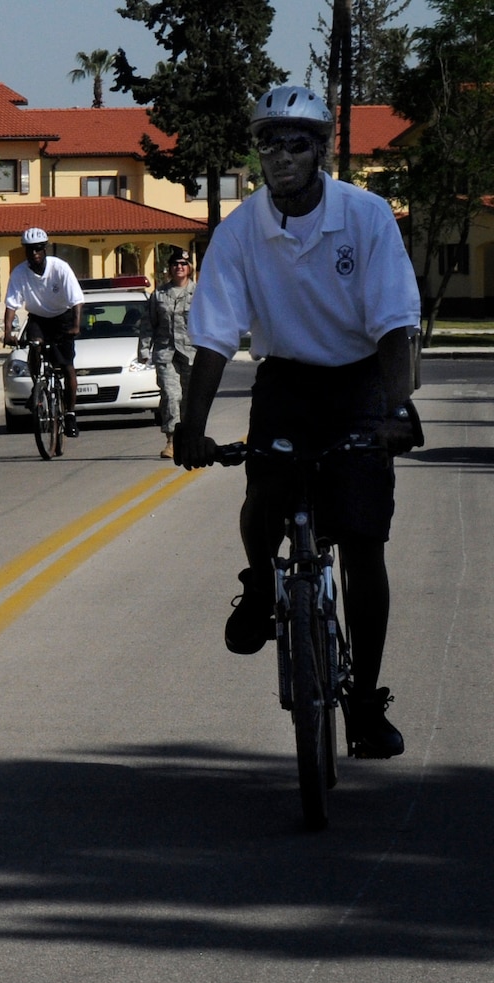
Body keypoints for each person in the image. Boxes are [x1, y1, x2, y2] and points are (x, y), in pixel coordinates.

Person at [172, 85, 423, 759]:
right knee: (265, 492)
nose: (279, 157)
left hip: (360, 378)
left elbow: (396, 324)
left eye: (295, 143)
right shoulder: (240, 230)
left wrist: (397, 409)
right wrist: (189, 428)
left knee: (363, 540)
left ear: (321, 151)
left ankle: (365, 705)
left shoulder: (366, 217)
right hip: (285, 380)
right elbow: (216, 338)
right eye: (267, 143)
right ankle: (260, 586)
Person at [1, 227, 85, 438]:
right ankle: (38, 386)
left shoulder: (60, 268)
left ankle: (70, 414)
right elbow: (11, 305)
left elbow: (76, 300)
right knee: (34, 345)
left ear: (45, 249)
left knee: (66, 367)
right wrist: (8, 331)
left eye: (38, 249)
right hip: (38, 318)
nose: (34, 254)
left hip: (63, 317)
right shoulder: (20, 273)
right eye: (29, 250)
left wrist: (75, 326)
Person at [145, 250, 198, 458]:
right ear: (170, 268)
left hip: (192, 352)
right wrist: (144, 348)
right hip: (166, 351)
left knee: (189, 398)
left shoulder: (200, 292)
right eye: (175, 263)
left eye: (184, 263)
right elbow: (148, 323)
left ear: (189, 267)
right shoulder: (159, 294)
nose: (180, 267)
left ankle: (190, 438)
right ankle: (172, 440)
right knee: (170, 394)